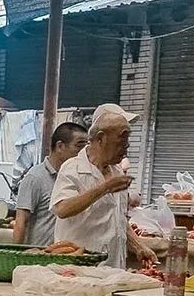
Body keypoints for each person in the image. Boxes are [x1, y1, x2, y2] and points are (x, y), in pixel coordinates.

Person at [50, 112, 156, 268]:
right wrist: (104, 188)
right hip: (79, 267)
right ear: (100, 138)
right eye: (120, 142)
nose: (125, 149)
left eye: (127, 143)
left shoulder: (117, 172)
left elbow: (118, 219)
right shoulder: (72, 169)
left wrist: (138, 245)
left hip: (113, 267)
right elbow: (62, 209)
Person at [13, 122, 88, 246]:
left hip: (67, 255)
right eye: (79, 146)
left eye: (86, 147)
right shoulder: (35, 178)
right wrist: (16, 256)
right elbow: (21, 221)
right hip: (39, 256)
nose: (83, 153)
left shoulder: (79, 177)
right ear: (59, 146)